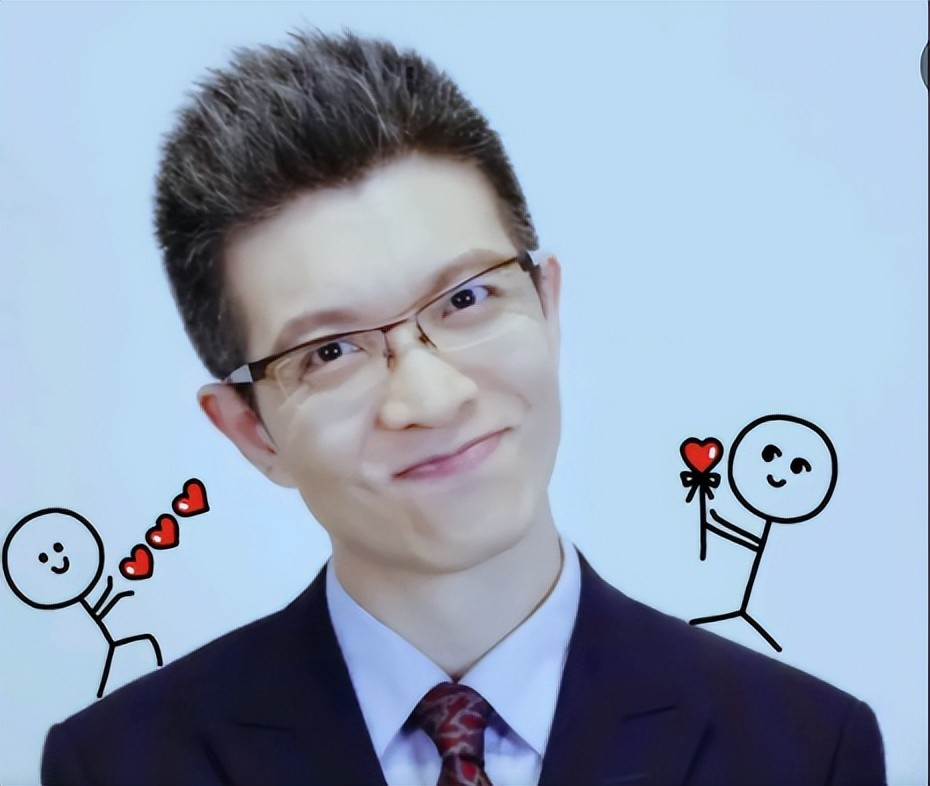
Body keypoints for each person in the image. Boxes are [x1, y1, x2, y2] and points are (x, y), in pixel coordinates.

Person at [40, 30, 885, 786]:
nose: (429, 397)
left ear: (547, 306)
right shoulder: (116, 766)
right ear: (251, 431)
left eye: (466, 299)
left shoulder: (806, 749)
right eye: (329, 352)